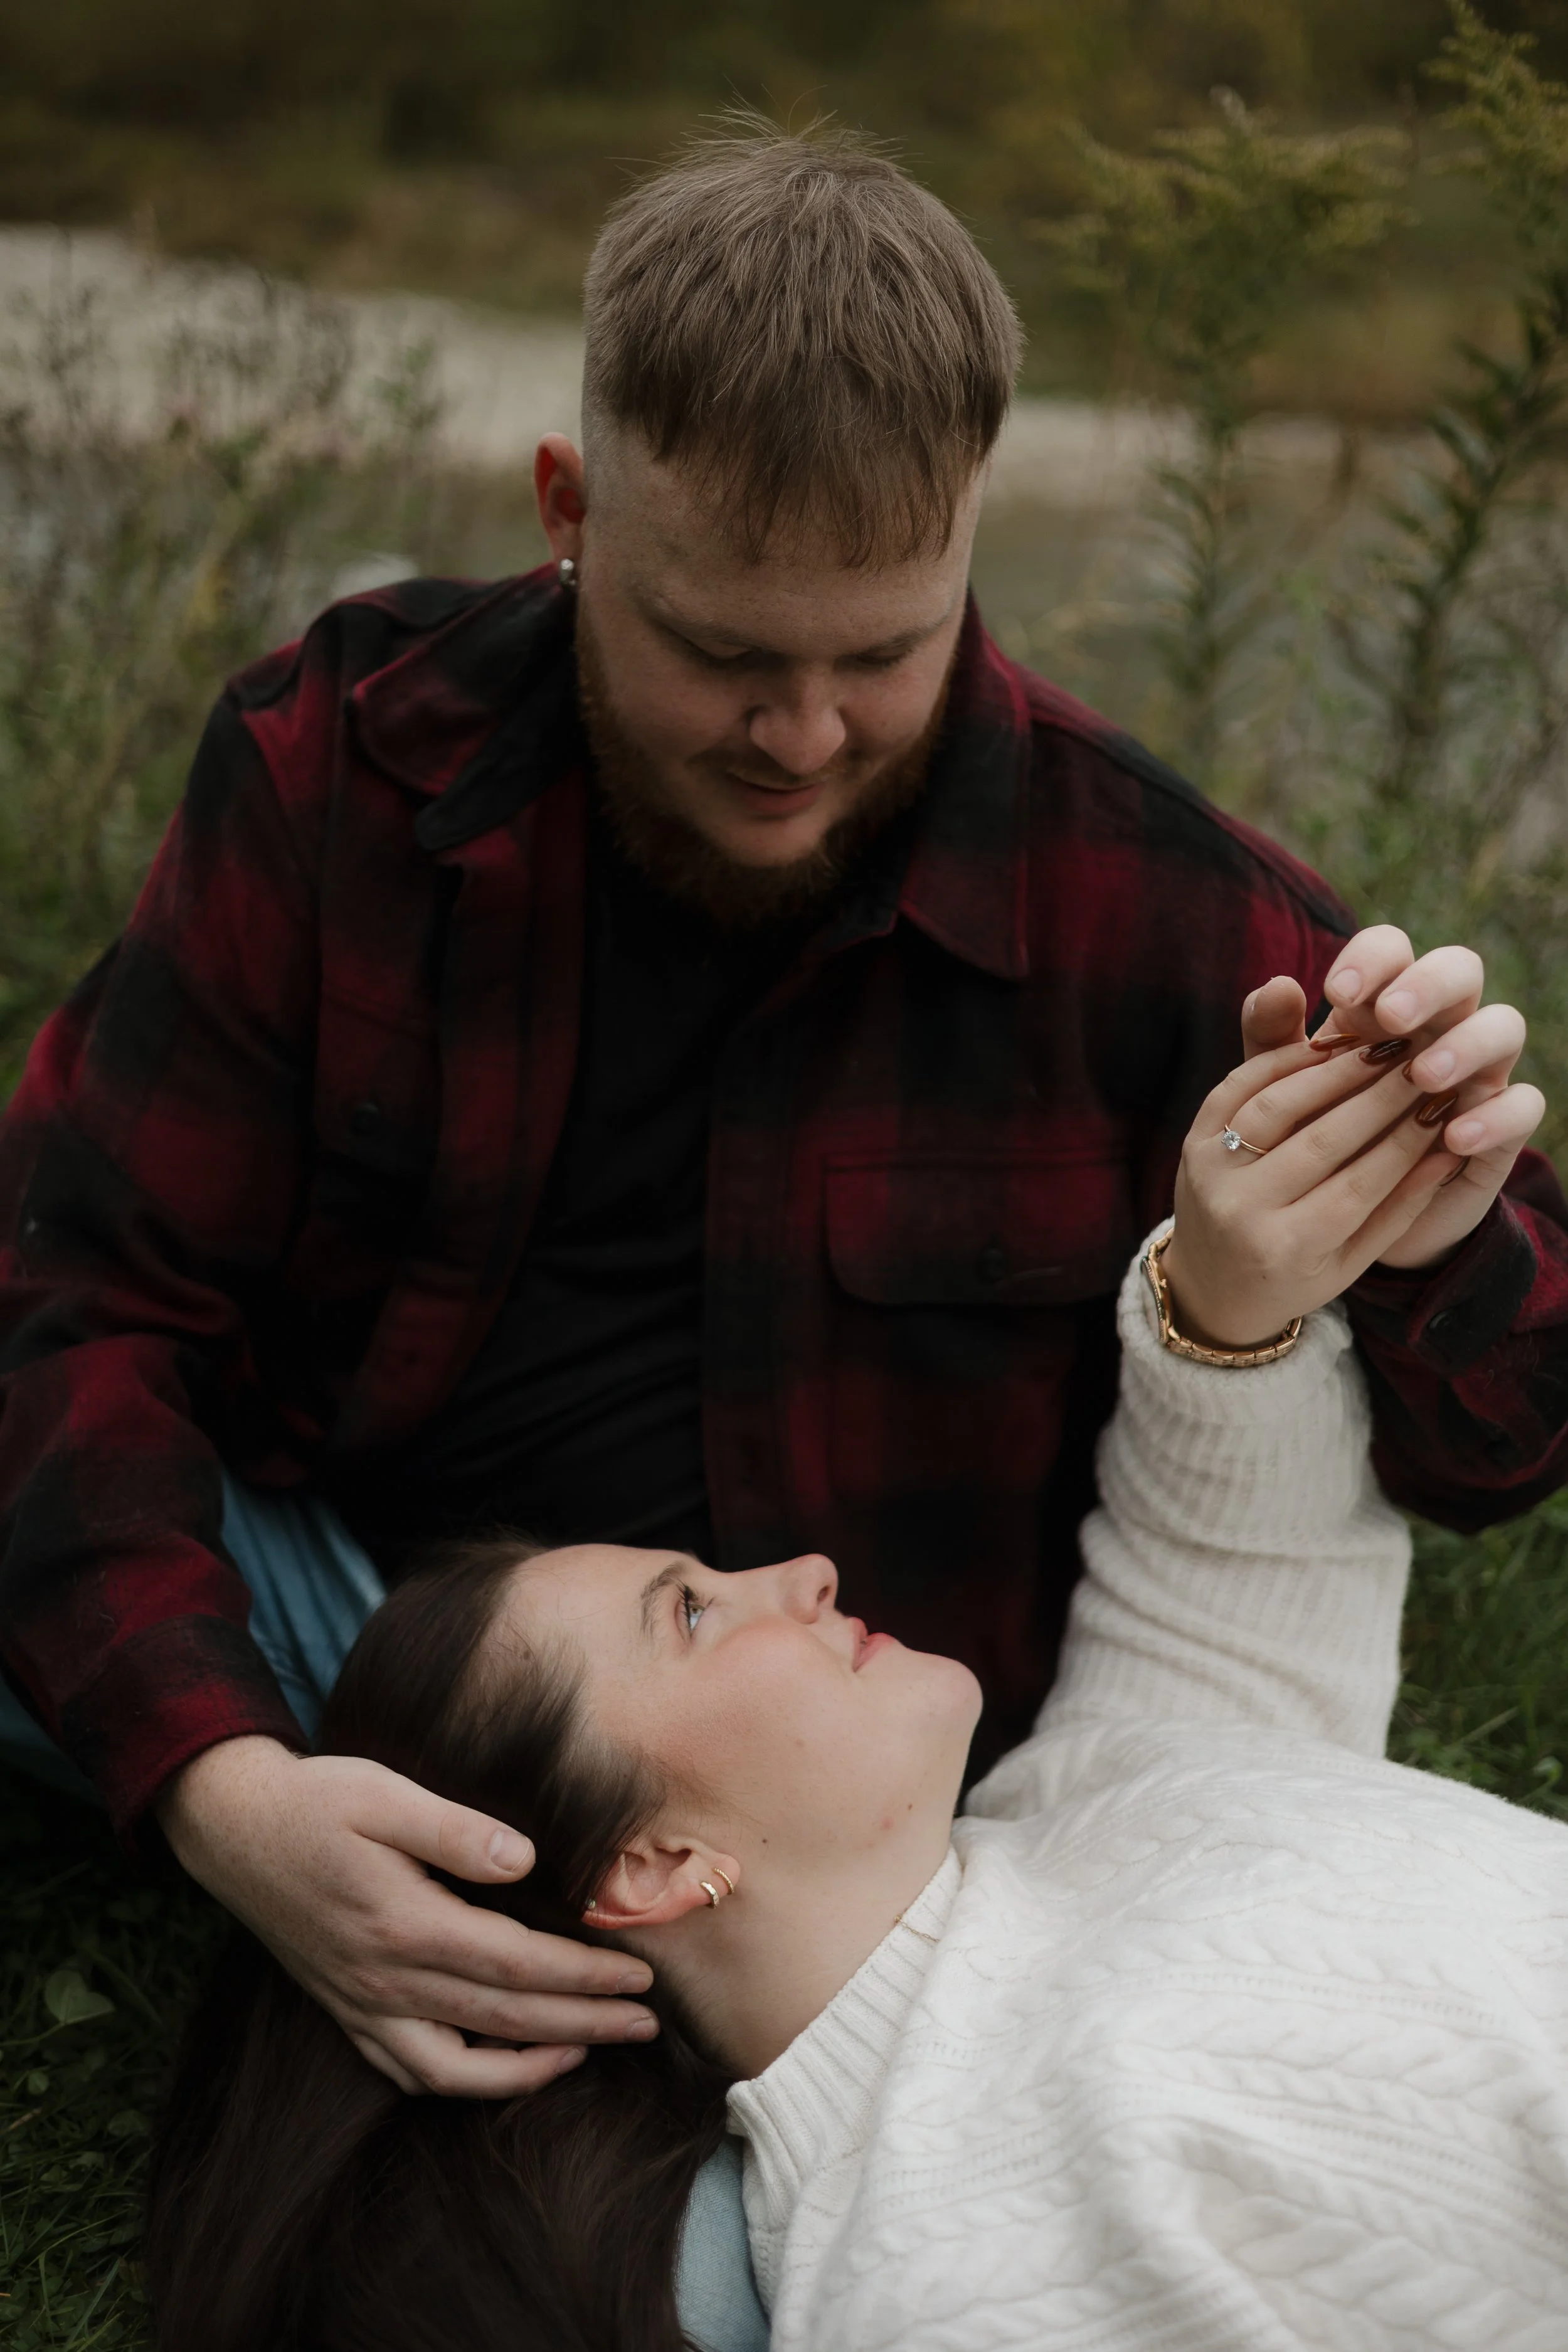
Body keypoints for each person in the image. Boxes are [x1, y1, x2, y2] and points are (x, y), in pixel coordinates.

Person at [0, 115, 1564, 2331]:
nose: (804, 738)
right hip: (387, 1588)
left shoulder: (1146, 902)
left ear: (967, 548)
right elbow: (85, 1295)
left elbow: (1503, 1435)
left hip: (851, 1773)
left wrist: (1419, 1231)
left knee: (854, 2236)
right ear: (569, 515)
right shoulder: (345, 766)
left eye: (883, 651)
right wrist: (224, 1790)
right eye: (723, 653)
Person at [144, 1035, 1568, 2352]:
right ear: (653, 1863)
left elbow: (1222, 1570)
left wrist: (1229, 1275)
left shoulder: (1071, 1803)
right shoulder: (943, 2264)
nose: (808, 1572)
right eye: (692, 1612)